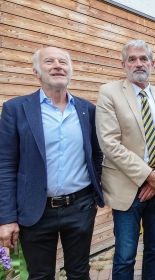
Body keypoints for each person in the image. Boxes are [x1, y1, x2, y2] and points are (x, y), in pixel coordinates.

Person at [0, 46, 104, 279]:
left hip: (81, 207)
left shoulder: (87, 109)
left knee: (79, 273)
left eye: (63, 62)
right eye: (49, 61)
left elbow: (97, 154)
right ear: (36, 72)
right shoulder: (16, 109)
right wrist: (7, 217)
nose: (57, 65)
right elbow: (5, 165)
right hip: (35, 211)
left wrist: (95, 193)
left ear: (70, 71)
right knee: (40, 275)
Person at [95, 39, 155, 280]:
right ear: (123, 64)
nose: (138, 63)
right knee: (125, 255)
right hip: (127, 188)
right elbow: (109, 142)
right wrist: (147, 175)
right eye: (132, 59)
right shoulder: (109, 92)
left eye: (143, 58)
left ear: (153, 63)